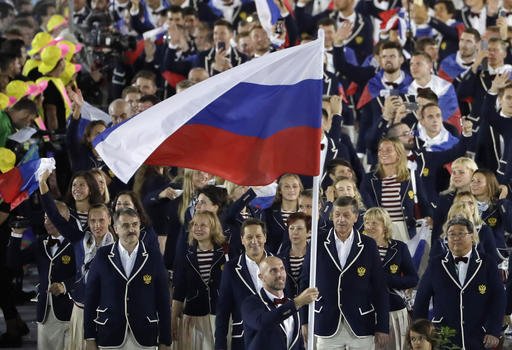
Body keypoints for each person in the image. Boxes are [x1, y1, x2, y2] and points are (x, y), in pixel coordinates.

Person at [300, 196, 389, 349]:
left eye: (346, 215)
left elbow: (380, 287)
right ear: (332, 216)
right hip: (326, 323)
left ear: (355, 217)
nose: (341, 219)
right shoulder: (317, 242)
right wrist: (305, 320)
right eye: (337, 214)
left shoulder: (368, 245)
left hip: (361, 324)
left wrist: (382, 326)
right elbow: (305, 282)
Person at [84, 208, 171, 349]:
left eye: (135, 224)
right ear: (115, 229)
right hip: (110, 335)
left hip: (145, 336)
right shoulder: (102, 256)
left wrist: (165, 340)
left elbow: (163, 301)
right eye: (125, 225)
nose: (131, 229)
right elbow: (90, 299)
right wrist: (89, 337)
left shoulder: (154, 256)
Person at [413, 217, 505, 349]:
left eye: (461, 233)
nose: (456, 238)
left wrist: (493, 330)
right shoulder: (436, 264)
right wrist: (420, 333)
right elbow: (421, 300)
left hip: (480, 335)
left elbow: (499, 298)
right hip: (444, 337)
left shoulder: (487, 263)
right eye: (451, 234)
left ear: (472, 236)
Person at [7, 201, 76, 350]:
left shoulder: (76, 243)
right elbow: (13, 261)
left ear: (65, 219)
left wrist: (65, 286)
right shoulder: (41, 242)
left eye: (53, 217)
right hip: (44, 312)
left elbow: (86, 275)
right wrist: (16, 234)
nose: (48, 222)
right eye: (45, 218)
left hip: (70, 312)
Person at [363, 207, 418, 350]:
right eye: (367, 223)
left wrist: (385, 279)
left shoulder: (399, 247)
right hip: (365, 310)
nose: (369, 227)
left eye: (374, 223)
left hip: (394, 311)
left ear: (385, 225)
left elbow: (413, 279)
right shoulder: (358, 247)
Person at [172, 211, 227, 350]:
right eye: (195, 224)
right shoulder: (186, 256)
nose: (198, 228)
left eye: (203, 225)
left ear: (213, 228)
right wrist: (172, 320)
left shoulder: (225, 254)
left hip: (219, 316)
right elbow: (179, 291)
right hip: (193, 316)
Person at [360, 138, 432, 242]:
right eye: (380, 150)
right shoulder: (369, 179)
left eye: (388, 150)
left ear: (399, 154)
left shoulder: (411, 175)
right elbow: (368, 207)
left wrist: (429, 216)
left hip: (407, 230)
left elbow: (423, 202)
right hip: (382, 230)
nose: (383, 153)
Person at [215, 218, 270, 350]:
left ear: (265, 238)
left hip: (274, 337)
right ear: (242, 240)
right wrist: (220, 346)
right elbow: (223, 311)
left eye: (258, 236)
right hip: (243, 340)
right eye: (249, 237)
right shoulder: (230, 269)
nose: (254, 241)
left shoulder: (278, 263)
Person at [241, 256, 318, 350]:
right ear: (261, 277)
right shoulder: (250, 303)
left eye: (282, 269)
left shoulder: (291, 303)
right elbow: (262, 323)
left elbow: (298, 343)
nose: (279, 274)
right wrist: (296, 303)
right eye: (273, 271)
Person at [278, 212, 311, 297]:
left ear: (308, 232)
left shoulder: (316, 256)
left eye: (299, 228)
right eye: (291, 228)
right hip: (288, 306)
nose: (295, 232)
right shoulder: (279, 258)